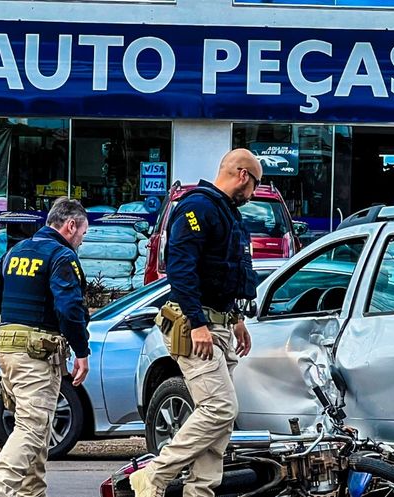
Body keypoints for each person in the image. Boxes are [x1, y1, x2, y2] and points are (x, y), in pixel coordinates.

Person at [130, 149, 260, 497]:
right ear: (243, 175)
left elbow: (223, 273)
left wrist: (236, 319)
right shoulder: (197, 207)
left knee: (218, 424)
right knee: (220, 408)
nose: (253, 194)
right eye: (255, 184)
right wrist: (198, 322)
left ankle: (200, 491)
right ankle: (154, 474)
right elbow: (181, 269)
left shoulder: (226, 212)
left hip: (219, 325)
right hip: (195, 326)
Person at [0, 197, 91, 497]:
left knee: (39, 429)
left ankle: (31, 494)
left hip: (7, 352)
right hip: (36, 355)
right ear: (70, 225)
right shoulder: (61, 256)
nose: (82, 241)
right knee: (32, 427)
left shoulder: (15, 252)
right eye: (83, 233)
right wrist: (82, 351)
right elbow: (69, 309)